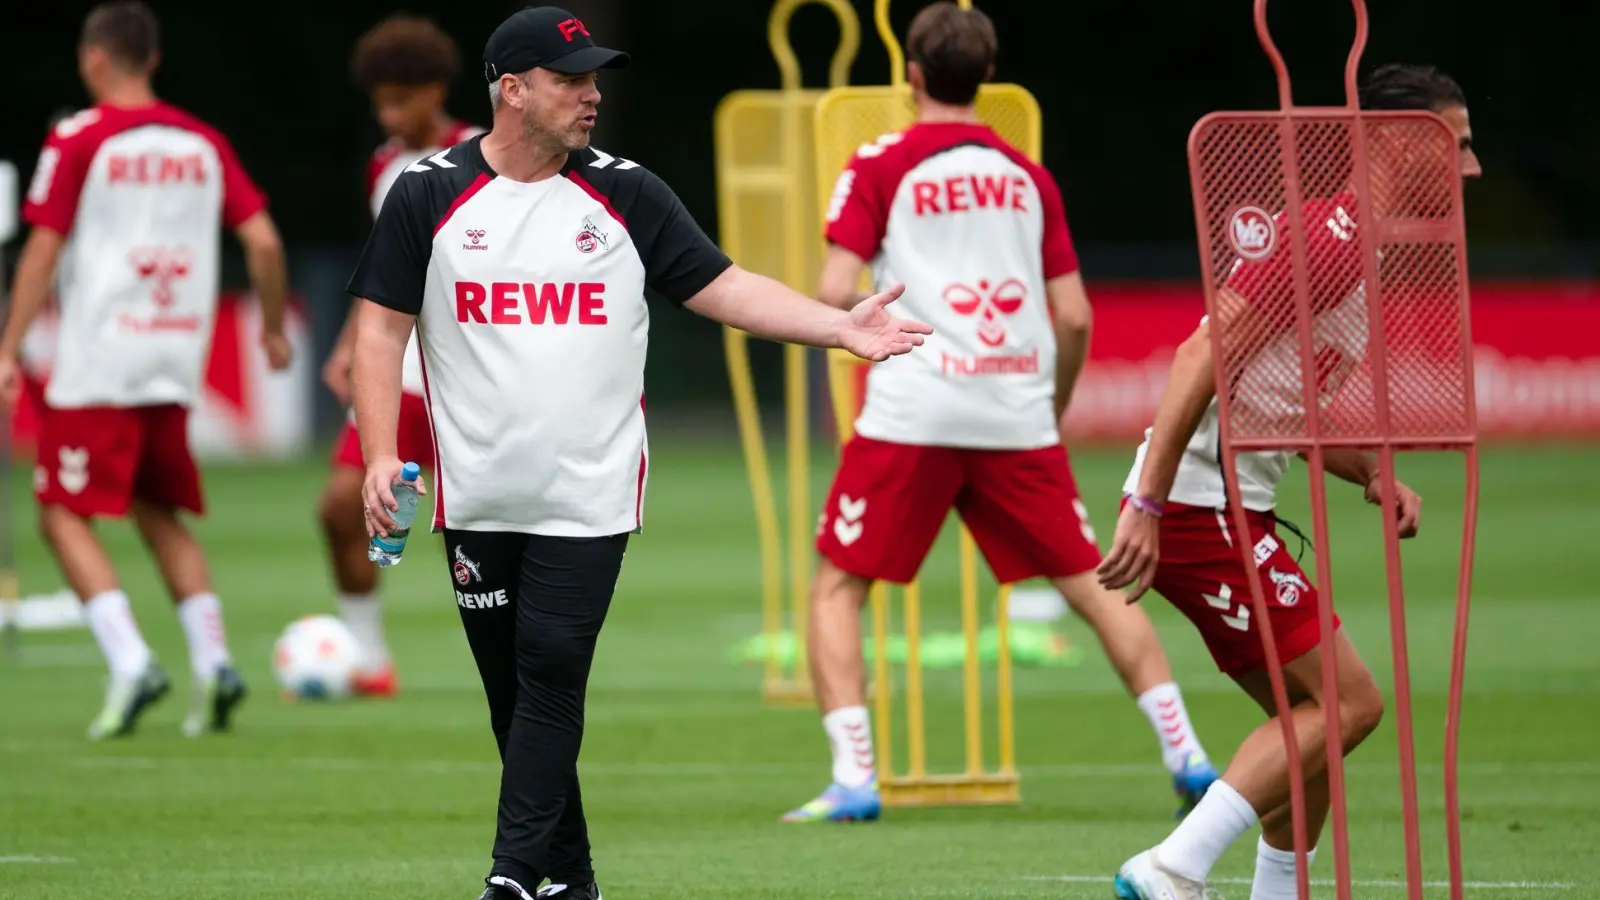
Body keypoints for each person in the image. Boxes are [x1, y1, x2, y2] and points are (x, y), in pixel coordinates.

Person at [345, 8, 931, 900]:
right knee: (515, 699)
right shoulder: (425, 193)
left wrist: (837, 328)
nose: (591, 94)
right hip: (478, 494)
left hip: (591, 492)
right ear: (512, 89)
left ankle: (508, 879)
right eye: (571, 78)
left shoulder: (627, 191)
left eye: (595, 77)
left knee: (547, 669)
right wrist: (381, 454)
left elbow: (724, 286)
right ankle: (572, 883)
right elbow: (380, 335)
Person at [781, 1, 1217, 824]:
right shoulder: (1029, 177)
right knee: (1096, 586)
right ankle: (1187, 752)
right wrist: (1045, 406)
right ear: (987, 77)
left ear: (912, 73)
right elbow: (1076, 315)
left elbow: (836, 292)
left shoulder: (879, 163)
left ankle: (854, 779)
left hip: (912, 408)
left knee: (838, 587)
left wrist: (861, 324)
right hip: (1015, 409)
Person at [1103, 63, 1481, 900]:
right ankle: (1171, 865)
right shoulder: (1332, 238)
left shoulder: (1361, 247)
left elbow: (1284, 409)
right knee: (1351, 706)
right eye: (1453, 145)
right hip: (1206, 508)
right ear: (1393, 140)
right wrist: (1148, 503)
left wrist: (1372, 473)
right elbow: (1199, 354)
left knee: (1310, 732)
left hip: (1232, 507)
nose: (1471, 167)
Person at [0, 0, 292, 740]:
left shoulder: (79, 136)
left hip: (100, 354)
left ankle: (130, 661)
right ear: (153, 60)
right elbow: (261, 241)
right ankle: (216, 661)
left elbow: (43, 247)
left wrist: (8, 346)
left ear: (94, 59)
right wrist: (272, 328)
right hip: (174, 353)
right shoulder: (201, 141)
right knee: (157, 510)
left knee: (59, 511)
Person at [317, 13, 486, 697]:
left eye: (402, 98)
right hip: (400, 371)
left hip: (473, 375)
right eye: (380, 100)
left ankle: (514, 654)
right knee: (336, 510)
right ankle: (367, 656)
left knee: (477, 531)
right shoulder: (385, 163)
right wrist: (348, 343)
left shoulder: (485, 151)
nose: (390, 112)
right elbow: (386, 267)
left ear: (436, 88)